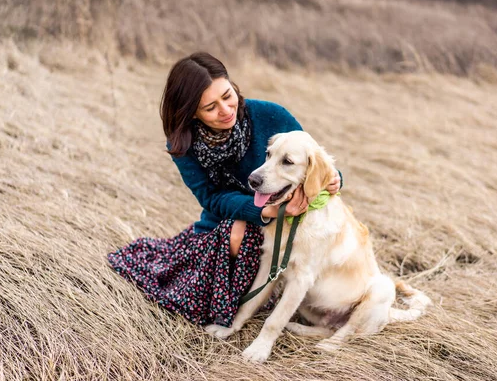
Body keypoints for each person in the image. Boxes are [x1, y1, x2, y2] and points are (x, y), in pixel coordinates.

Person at [107, 52, 342, 327]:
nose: (226, 110)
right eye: (210, 107)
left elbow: (311, 160)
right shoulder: (183, 144)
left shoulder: (270, 115)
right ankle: (238, 303)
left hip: (287, 218)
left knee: (252, 238)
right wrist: (264, 210)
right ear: (191, 111)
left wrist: (335, 178)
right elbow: (211, 197)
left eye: (227, 95)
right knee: (233, 238)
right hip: (226, 222)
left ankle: (259, 297)